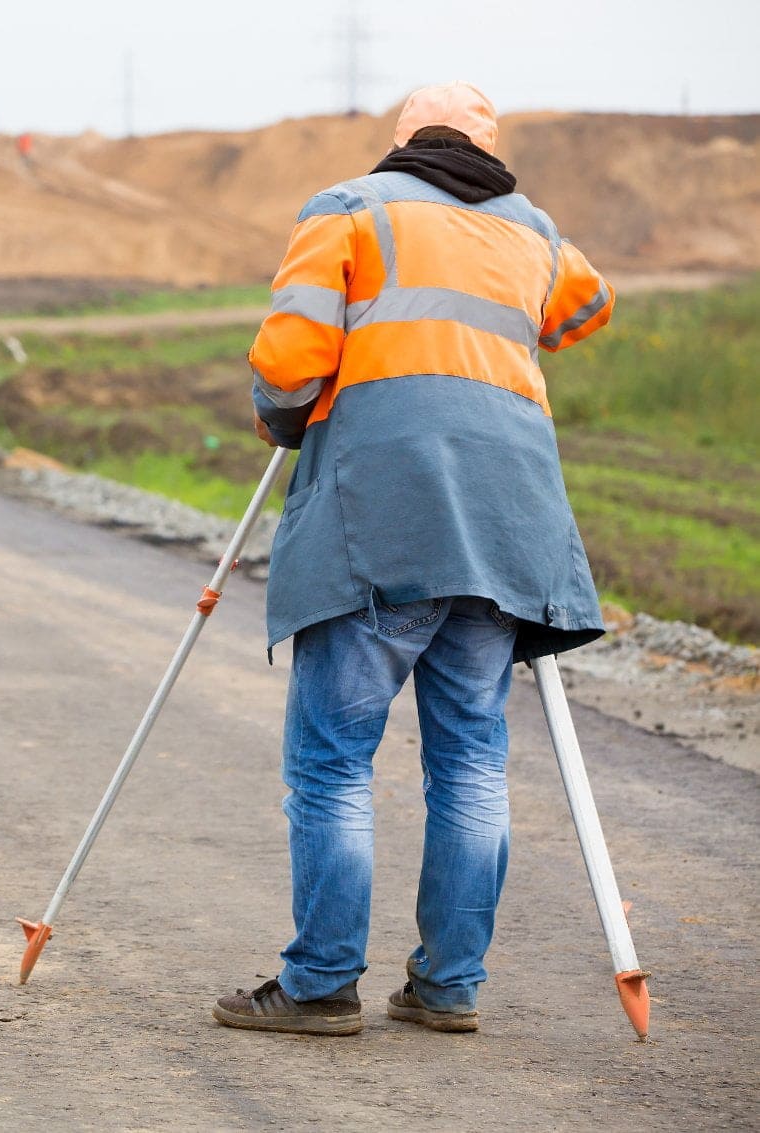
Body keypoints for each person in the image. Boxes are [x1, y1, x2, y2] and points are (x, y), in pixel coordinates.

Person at [213, 81, 615, 1037]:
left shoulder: (349, 209)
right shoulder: (537, 232)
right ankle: (448, 986)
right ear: (489, 147)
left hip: (381, 518)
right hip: (507, 526)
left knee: (333, 764)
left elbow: (288, 361)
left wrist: (281, 419)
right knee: (472, 761)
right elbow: (589, 309)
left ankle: (320, 986)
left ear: (403, 142)